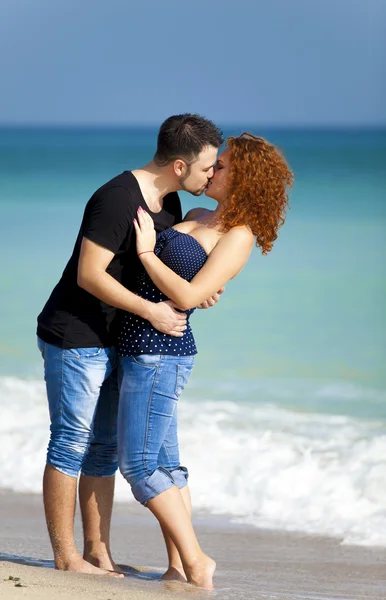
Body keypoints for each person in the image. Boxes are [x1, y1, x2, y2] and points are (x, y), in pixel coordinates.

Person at [36, 114, 224, 575]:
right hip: (75, 334)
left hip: (120, 338)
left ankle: (97, 552)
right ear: (180, 165)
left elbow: (155, 270)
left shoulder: (170, 203)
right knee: (70, 442)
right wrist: (151, 311)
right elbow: (89, 274)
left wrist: (199, 288)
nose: (211, 175)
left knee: (102, 448)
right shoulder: (117, 198)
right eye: (207, 167)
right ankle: (66, 556)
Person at [117, 132, 294, 590]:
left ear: (245, 178)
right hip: (139, 345)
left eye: (225, 165)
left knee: (138, 468)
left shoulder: (238, 236)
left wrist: (144, 252)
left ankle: (197, 561)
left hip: (162, 353)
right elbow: (194, 285)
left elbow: (190, 294)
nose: (214, 169)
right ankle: (177, 566)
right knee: (167, 464)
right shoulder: (194, 214)